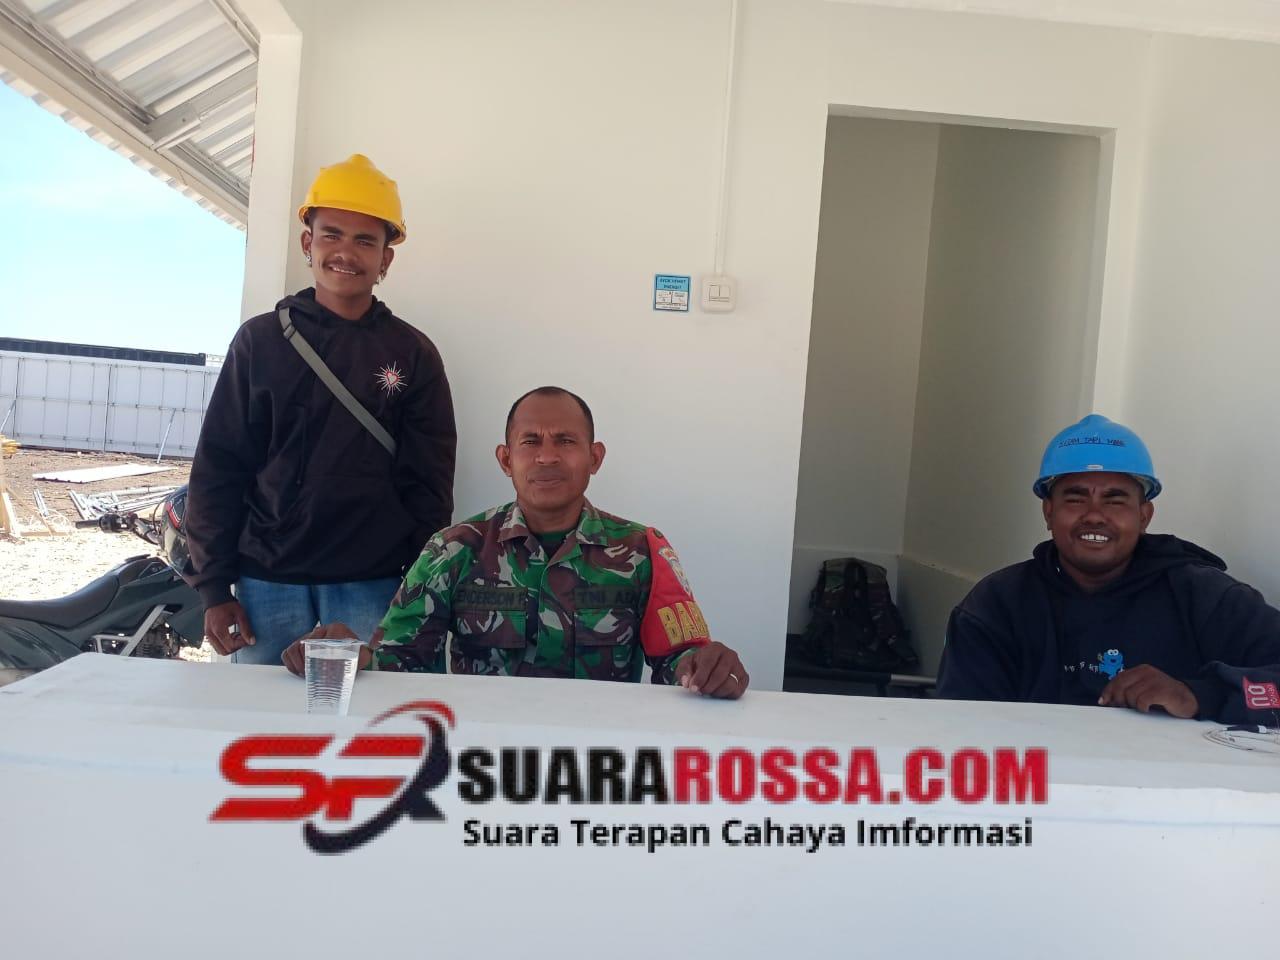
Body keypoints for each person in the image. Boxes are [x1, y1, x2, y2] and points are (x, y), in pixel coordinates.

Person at [283, 386, 749, 698]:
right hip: (480, 760)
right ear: (506, 459)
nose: (546, 456)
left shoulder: (642, 550)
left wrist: (707, 667)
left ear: (595, 457)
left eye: (565, 441)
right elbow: (399, 662)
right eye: (530, 442)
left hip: (596, 760)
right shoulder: (454, 549)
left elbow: (678, 660)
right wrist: (348, 654)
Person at [186, 155, 456, 664]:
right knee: (261, 713)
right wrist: (214, 588)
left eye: (365, 241)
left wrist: (419, 589)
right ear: (307, 243)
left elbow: (429, 486)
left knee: (365, 713)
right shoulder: (259, 342)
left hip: (373, 584)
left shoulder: (413, 354)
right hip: (266, 584)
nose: (345, 253)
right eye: (332, 235)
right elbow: (220, 467)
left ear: (386, 259)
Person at [937, 414, 1280, 723]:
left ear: (1144, 516)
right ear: (1048, 512)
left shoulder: (1205, 596)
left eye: (1115, 500)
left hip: (1168, 775)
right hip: (1040, 772)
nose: (1095, 515)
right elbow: (963, 728)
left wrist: (1198, 695)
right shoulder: (996, 605)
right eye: (1075, 499)